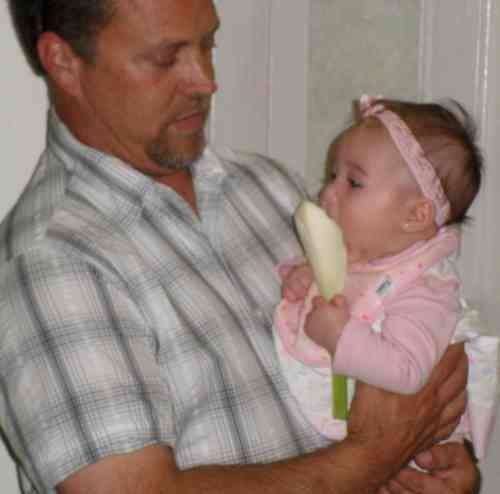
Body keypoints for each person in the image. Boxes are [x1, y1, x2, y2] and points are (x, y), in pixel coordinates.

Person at [0, 1, 477, 493]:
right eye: (166, 58)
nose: (205, 80)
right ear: (63, 62)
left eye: (208, 44)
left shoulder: (269, 186)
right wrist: (373, 456)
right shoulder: (52, 262)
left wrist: (433, 459)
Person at [274, 96, 498, 459]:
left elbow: (406, 369)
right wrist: (302, 276)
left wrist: (339, 336)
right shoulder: (362, 252)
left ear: (415, 215)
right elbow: (339, 276)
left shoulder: (425, 291)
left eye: (354, 183)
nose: (327, 192)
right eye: (333, 176)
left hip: (403, 460)